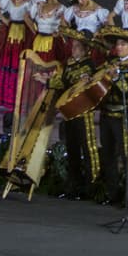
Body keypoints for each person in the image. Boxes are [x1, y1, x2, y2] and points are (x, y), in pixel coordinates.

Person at [96, 27, 128, 206]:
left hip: (121, 114)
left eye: (123, 44)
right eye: (117, 44)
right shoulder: (112, 61)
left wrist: (116, 77)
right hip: (106, 112)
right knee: (108, 154)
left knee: (126, 154)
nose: (119, 47)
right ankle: (112, 193)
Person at [48, 28, 102, 199]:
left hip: (82, 113)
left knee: (88, 149)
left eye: (78, 46)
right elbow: (63, 83)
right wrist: (48, 80)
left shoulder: (89, 66)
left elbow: (80, 86)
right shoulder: (69, 63)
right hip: (69, 113)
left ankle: (92, 187)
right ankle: (73, 185)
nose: (74, 48)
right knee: (71, 150)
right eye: (73, 45)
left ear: (86, 49)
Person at [0, 0, 45, 110]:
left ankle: (25, 98)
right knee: (10, 63)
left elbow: (39, 13)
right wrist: (4, 20)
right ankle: (9, 98)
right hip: (12, 33)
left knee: (24, 64)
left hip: (26, 32)